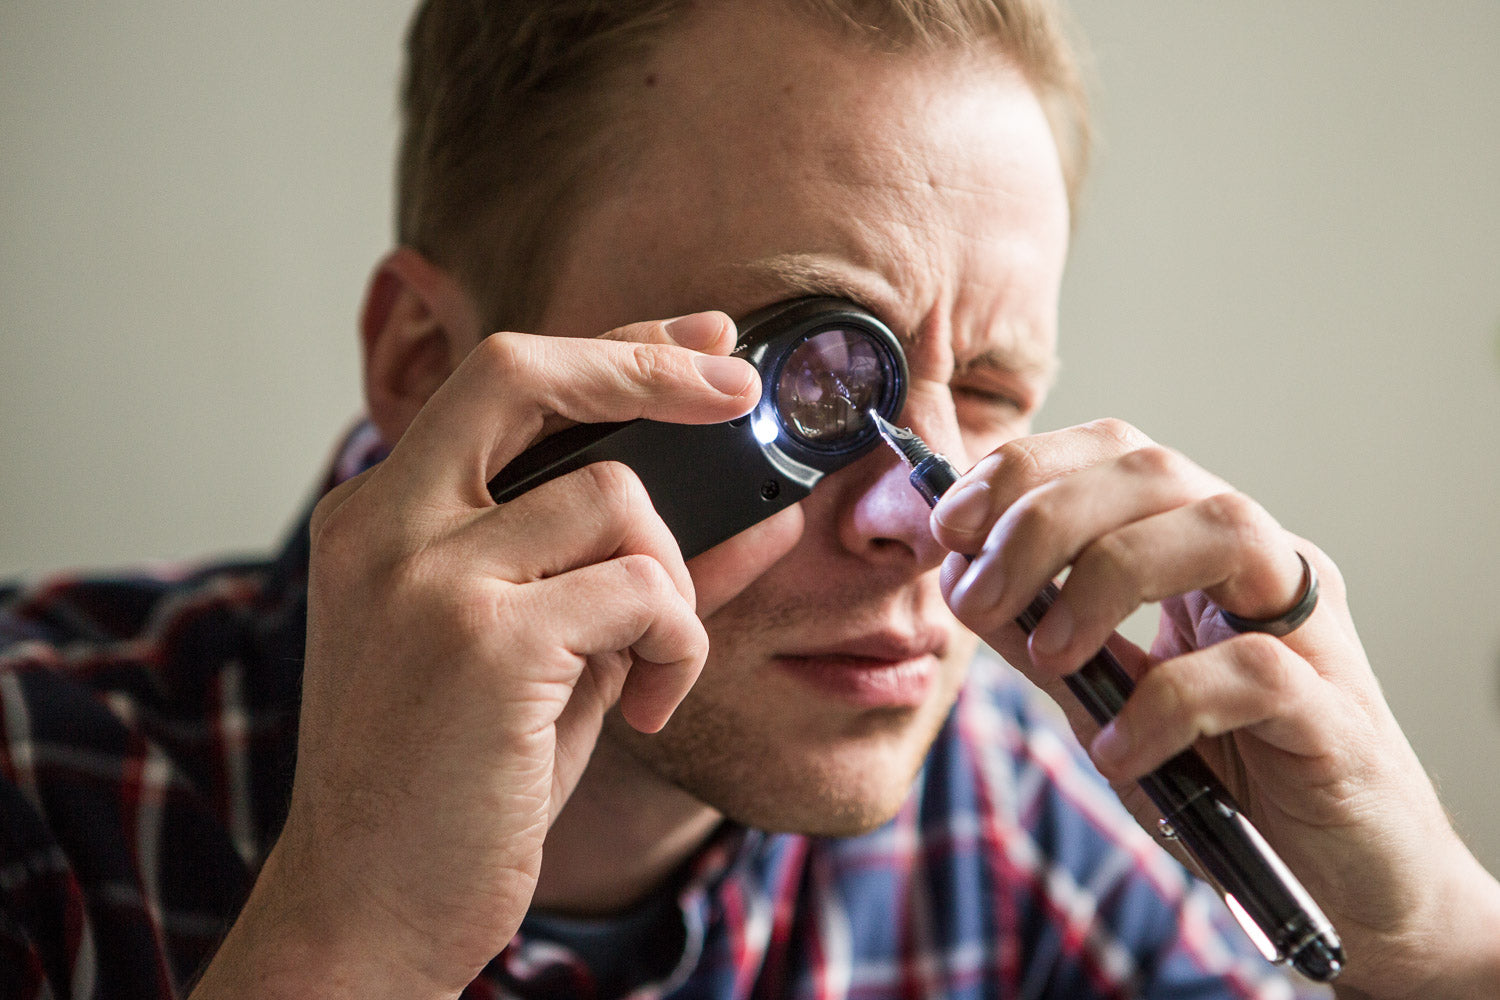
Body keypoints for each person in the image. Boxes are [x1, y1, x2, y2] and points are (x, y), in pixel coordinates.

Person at [2, 1, 1498, 997]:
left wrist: (1433, 934)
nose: (923, 516)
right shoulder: (40, 795)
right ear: (426, 363)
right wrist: (352, 939)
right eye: (814, 379)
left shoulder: (1004, 823)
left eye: (984, 390)